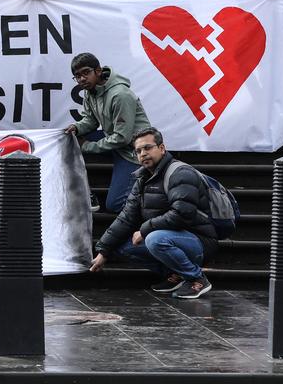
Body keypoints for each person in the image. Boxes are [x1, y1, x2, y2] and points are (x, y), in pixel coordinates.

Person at [90, 128, 218, 299]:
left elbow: (182, 214)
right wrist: (104, 251)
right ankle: (177, 275)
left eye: (148, 148)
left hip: (199, 240)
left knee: (155, 239)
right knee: (122, 247)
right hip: (171, 237)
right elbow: (127, 217)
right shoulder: (142, 179)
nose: (143, 154)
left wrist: (144, 230)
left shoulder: (180, 173)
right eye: (138, 151)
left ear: (162, 148)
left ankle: (196, 278)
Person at [64, 53, 151, 213]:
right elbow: (90, 120)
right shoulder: (90, 92)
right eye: (77, 76)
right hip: (116, 143)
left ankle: (151, 208)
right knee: (70, 142)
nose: (82, 79)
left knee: (115, 204)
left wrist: (89, 146)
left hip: (134, 151)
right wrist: (77, 128)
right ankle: (87, 194)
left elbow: (122, 137)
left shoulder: (120, 95)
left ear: (97, 71)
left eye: (85, 73)